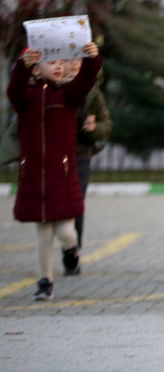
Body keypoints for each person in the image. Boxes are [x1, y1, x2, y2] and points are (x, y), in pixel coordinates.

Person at [8, 43, 101, 301]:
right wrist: (22, 67)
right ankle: (44, 281)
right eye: (51, 63)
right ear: (35, 69)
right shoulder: (26, 98)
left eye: (61, 62)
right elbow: (14, 90)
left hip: (62, 173)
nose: (59, 66)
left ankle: (71, 249)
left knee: (64, 231)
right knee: (43, 232)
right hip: (34, 175)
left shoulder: (68, 95)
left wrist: (92, 60)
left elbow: (85, 81)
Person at [61, 58, 112, 269]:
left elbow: (106, 124)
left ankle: (73, 251)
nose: (73, 65)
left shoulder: (92, 93)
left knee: (76, 206)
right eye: (67, 60)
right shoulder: (47, 89)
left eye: (77, 60)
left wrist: (94, 128)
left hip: (80, 156)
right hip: (53, 157)